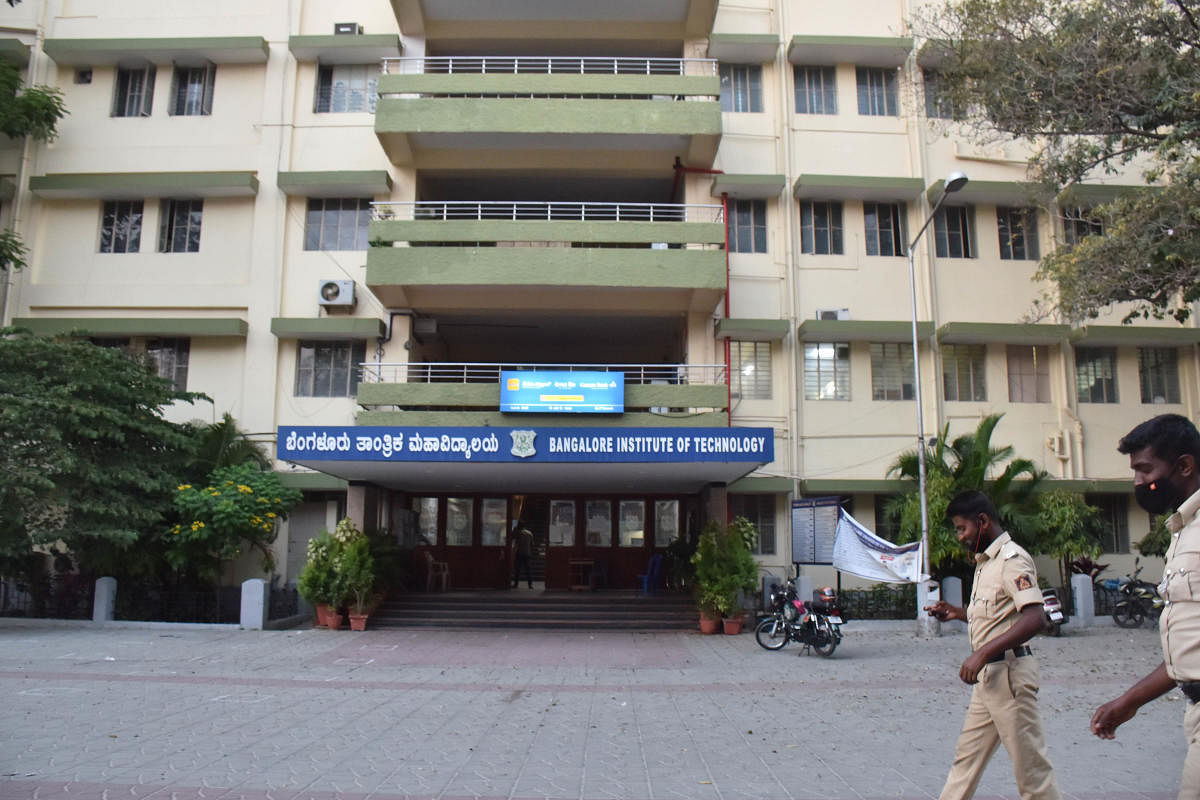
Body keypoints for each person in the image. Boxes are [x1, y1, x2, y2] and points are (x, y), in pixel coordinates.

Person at [924, 490, 1062, 800]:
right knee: (965, 764)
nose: (960, 536)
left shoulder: (1013, 559)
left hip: (1009, 676)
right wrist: (957, 613)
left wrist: (981, 654)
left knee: (1032, 773)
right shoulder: (986, 562)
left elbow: (1035, 618)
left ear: (982, 521)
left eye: (963, 528)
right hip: (988, 679)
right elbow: (997, 616)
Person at [1091, 413, 1200, 797]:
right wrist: (1129, 702)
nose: (1138, 481)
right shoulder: (1183, 531)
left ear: (1184, 465)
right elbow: (1189, 647)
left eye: (1144, 469)